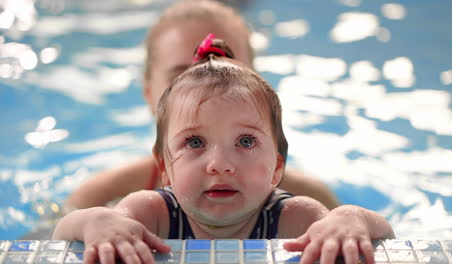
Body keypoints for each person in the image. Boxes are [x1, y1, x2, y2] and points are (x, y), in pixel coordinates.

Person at [53, 34, 394, 264]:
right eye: (195, 142)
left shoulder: (295, 217)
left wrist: (350, 218)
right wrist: (96, 221)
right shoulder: (151, 212)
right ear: (165, 167)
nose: (220, 164)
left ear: (277, 167)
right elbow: (61, 235)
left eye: (245, 142)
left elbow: (385, 237)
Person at [64, 0, 339, 211]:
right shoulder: (101, 199)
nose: (204, 88)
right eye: (180, 76)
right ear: (149, 94)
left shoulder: (307, 201)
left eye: (226, 72)